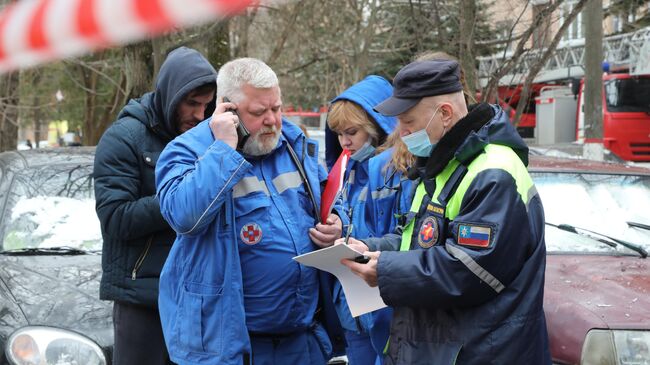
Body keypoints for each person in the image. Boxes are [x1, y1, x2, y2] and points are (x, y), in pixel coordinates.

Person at [340, 59, 551, 364]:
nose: (401, 132)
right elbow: (418, 240)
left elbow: (469, 270)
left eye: (408, 121)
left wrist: (384, 269)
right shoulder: (444, 167)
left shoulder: (493, 172)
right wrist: (369, 249)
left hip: (481, 354)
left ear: (446, 114)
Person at [155, 57, 345, 365]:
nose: (272, 120)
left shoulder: (292, 144)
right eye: (259, 112)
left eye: (277, 108)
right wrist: (224, 149)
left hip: (303, 340)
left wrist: (337, 223)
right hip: (232, 347)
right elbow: (184, 216)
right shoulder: (186, 150)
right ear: (228, 110)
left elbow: (331, 200)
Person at [93, 46, 217, 365]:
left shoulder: (208, 140)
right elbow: (115, 218)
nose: (200, 115)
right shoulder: (124, 138)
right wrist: (181, 198)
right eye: (192, 103)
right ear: (170, 94)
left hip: (197, 297)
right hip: (142, 300)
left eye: (207, 105)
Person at [324, 75, 396, 365]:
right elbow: (344, 207)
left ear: (376, 126)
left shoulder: (397, 173)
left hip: (385, 309)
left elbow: (408, 237)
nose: (344, 142)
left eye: (351, 132)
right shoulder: (351, 171)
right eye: (339, 134)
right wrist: (337, 222)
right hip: (352, 310)